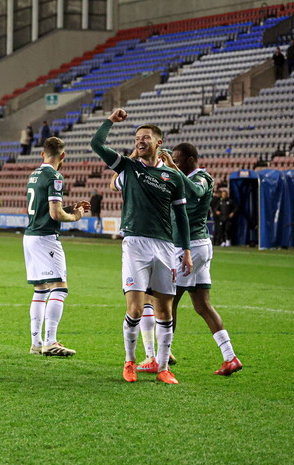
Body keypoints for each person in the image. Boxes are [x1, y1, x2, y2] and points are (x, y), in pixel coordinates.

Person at [90, 108, 193, 385]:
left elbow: (181, 216)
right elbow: (96, 145)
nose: (140, 141)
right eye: (137, 137)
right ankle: (130, 362)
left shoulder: (173, 177)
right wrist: (110, 121)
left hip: (165, 246)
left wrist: (185, 249)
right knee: (135, 309)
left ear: (159, 143)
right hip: (135, 244)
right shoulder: (128, 166)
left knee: (165, 311)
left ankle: (162, 367)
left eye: (145, 137)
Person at [159, 144, 242, 375]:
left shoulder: (202, 177)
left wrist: (173, 169)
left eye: (178, 160)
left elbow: (196, 192)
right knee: (202, 306)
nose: (174, 163)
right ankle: (230, 357)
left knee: (169, 301)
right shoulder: (180, 177)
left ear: (191, 159)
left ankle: (162, 356)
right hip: (197, 246)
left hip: (190, 247)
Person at [24, 136, 89, 357]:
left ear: (42, 154)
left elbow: (45, 208)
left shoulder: (33, 175)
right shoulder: (55, 176)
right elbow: (54, 214)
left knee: (40, 289)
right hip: (46, 237)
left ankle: (36, 343)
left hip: (30, 236)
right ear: (63, 156)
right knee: (60, 288)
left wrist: (69, 207)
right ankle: (50, 341)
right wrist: (76, 216)